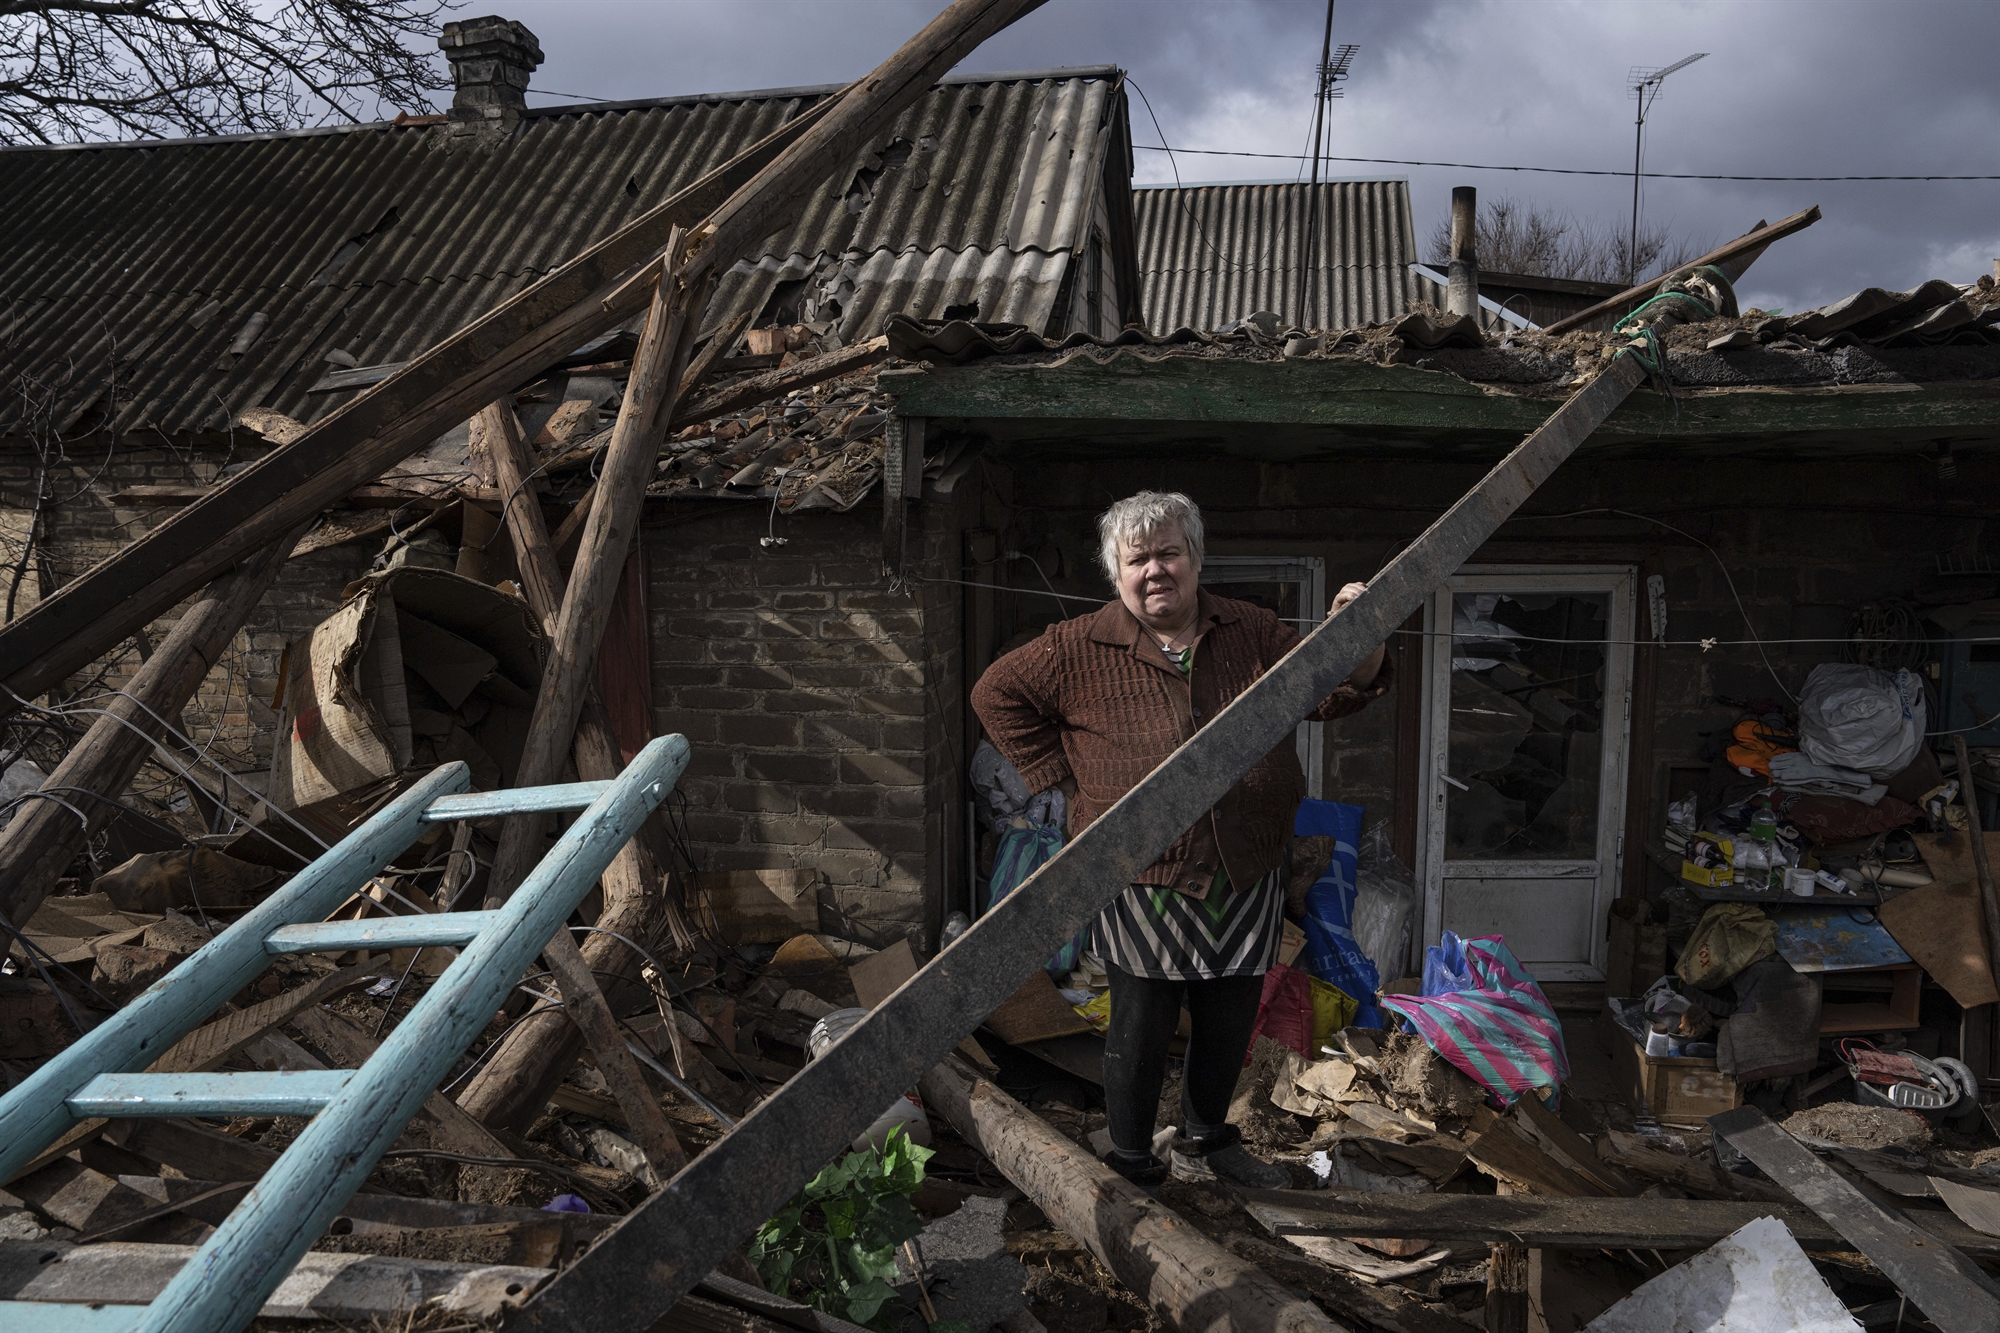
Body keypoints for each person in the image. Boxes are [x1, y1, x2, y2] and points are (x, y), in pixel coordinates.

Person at [971, 490, 1391, 1188]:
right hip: (1144, 869)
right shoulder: (1078, 646)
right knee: (1141, 1018)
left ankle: (1209, 1137)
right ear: (1117, 572)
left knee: (1229, 1012)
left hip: (1245, 863)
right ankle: (1132, 1158)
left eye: (1169, 552)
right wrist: (1066, 783)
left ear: (1196, 560)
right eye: (1138, 558)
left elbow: (1331, 691)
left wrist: (1364, 639)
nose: (1155, 568)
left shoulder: (1251, 630)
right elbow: (994, 693)